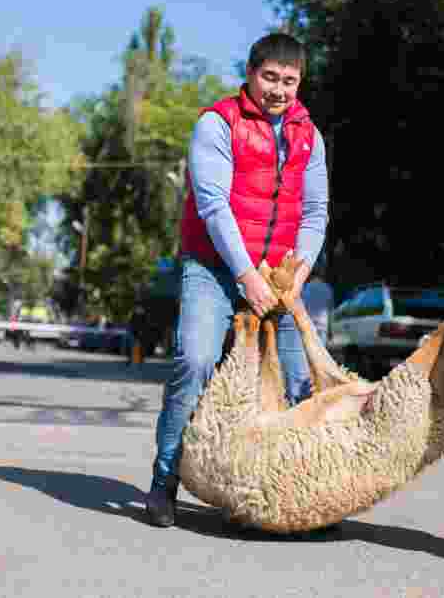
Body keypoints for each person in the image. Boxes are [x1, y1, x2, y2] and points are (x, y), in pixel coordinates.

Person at [145, 33, 329, 528]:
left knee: (300, 378)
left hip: (281, 274)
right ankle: (165, 483)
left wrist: (300, 272)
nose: (279, 90)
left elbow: (315, 212)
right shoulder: (217, 123)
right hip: (214, 268)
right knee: (196, 361)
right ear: (250, 73)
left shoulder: (309, 134)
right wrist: (246, 275)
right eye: (270, 77)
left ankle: (296, 495)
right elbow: (213, 206)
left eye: (289, 81)